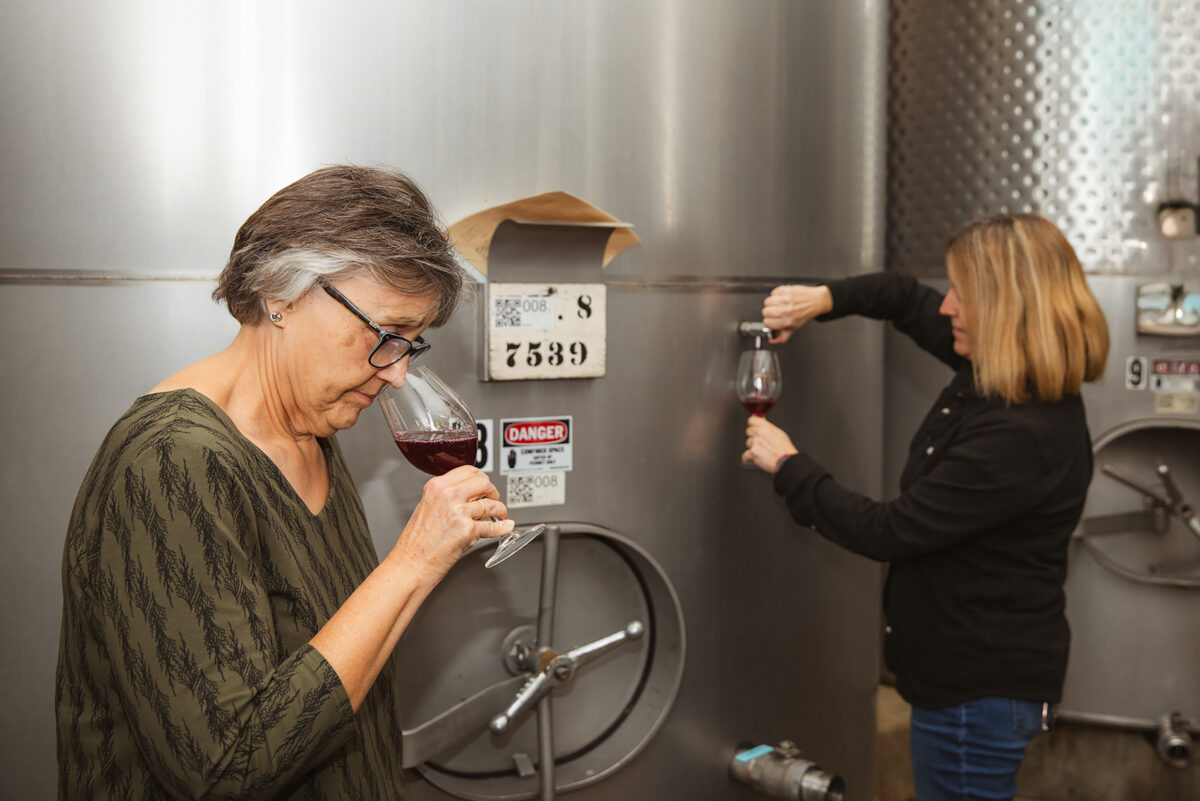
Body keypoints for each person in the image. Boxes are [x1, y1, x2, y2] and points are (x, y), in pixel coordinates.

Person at [55, 165, 515, 800]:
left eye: (413, 344)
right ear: (280, 292)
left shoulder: (312, 427)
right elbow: (227, 773)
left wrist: (425, 562)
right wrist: (413, 560)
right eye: (387, 335)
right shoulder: (170, 460)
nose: (399, 374)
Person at [743, 213, 1109, 801]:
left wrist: (789, 467)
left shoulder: (1021, 433)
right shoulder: (1000, 373)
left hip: (976, 693)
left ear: (1006, 308)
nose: (948, 308)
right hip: (966, 680)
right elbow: (906, 298)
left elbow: (892, 530)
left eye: (963, 295)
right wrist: (825, 299)